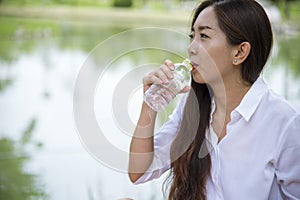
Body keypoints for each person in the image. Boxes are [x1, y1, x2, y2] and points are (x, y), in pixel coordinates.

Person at [128, 0, 300, 199]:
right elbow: (139, 171)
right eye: (192, 36)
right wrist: (150, 105)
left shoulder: (285, 122)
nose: (191, 47)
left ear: (239, 52)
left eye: (204, 36)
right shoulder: (191, 106)